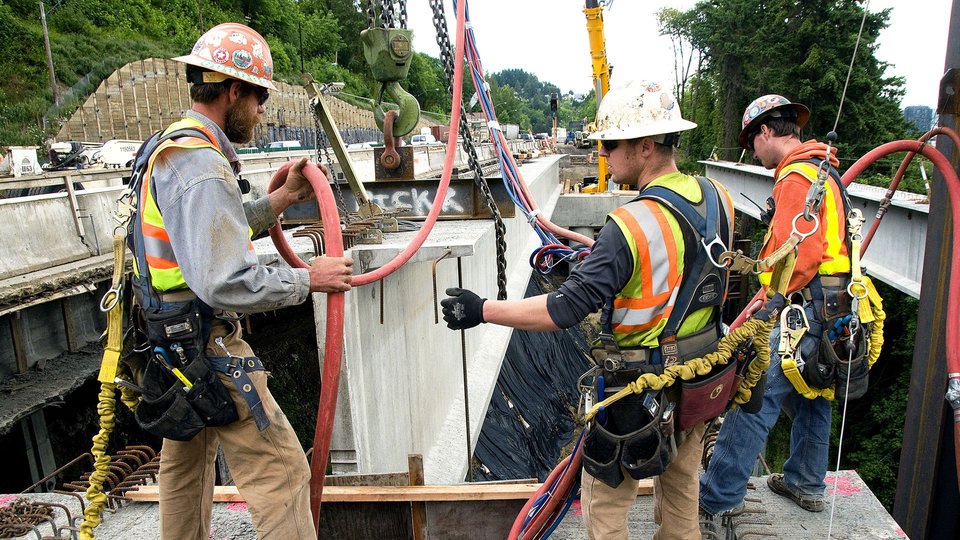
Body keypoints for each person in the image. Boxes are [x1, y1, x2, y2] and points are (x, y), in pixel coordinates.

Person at [442, 79, 735, 540]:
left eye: (610, 143)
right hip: (701, 379)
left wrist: (483, 310)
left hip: (638, 393)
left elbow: (562, 310)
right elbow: (681, 269)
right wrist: (602, 257)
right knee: (681, 503)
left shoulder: (630, 224)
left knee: (604, 509)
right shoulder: (719, 198)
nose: (602, 154)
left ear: (644, 146)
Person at [133, 22, 353, 539]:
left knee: (184, 474)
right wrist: (307, 279)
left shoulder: (171, 148)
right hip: (209, 345)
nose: (260, 112)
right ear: (234, 90)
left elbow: (207, 234)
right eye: (258, 99)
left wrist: (277, 201)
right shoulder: (203, 166)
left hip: (173, 345)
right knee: (282, 474)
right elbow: (224, 279)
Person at [698, 95, 853, 526]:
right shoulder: (823, 170)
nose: (753, 153)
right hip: (834, 304)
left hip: (804, 305)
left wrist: (769, 302)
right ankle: (805, 482)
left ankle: (718, 496)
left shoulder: (795, 178)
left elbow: (798, 255)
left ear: (765, 132)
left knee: (754, 397)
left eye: (752, 144)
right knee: (812, 391)